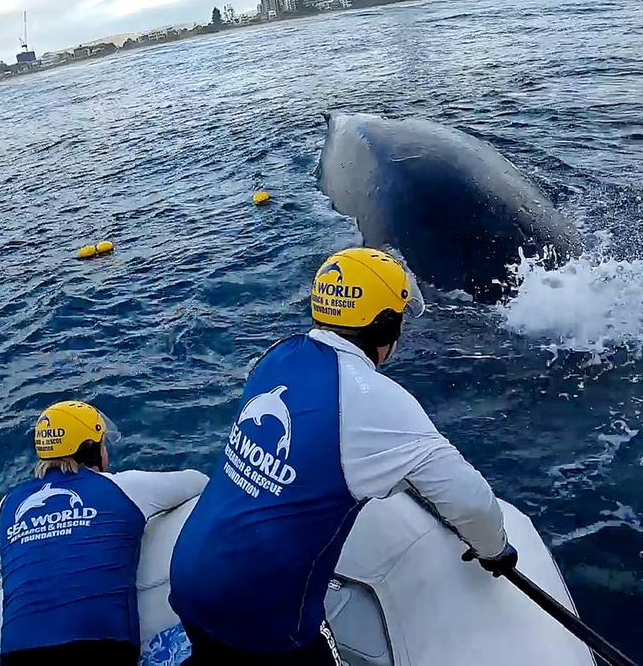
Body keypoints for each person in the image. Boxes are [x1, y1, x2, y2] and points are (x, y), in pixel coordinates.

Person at [169, 247, 517, 664]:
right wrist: (496, 551)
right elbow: (470, 501)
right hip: (259, 609)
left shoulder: (278, 353)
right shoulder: (376, 399)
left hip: (189, 573)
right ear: (387, 327)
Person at [0, 400, 208, 665]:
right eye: (103, 443)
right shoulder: (124, 487)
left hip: (17, 655)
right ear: (90, 450)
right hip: (99, 647)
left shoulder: (6, 507)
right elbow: (199, 482)